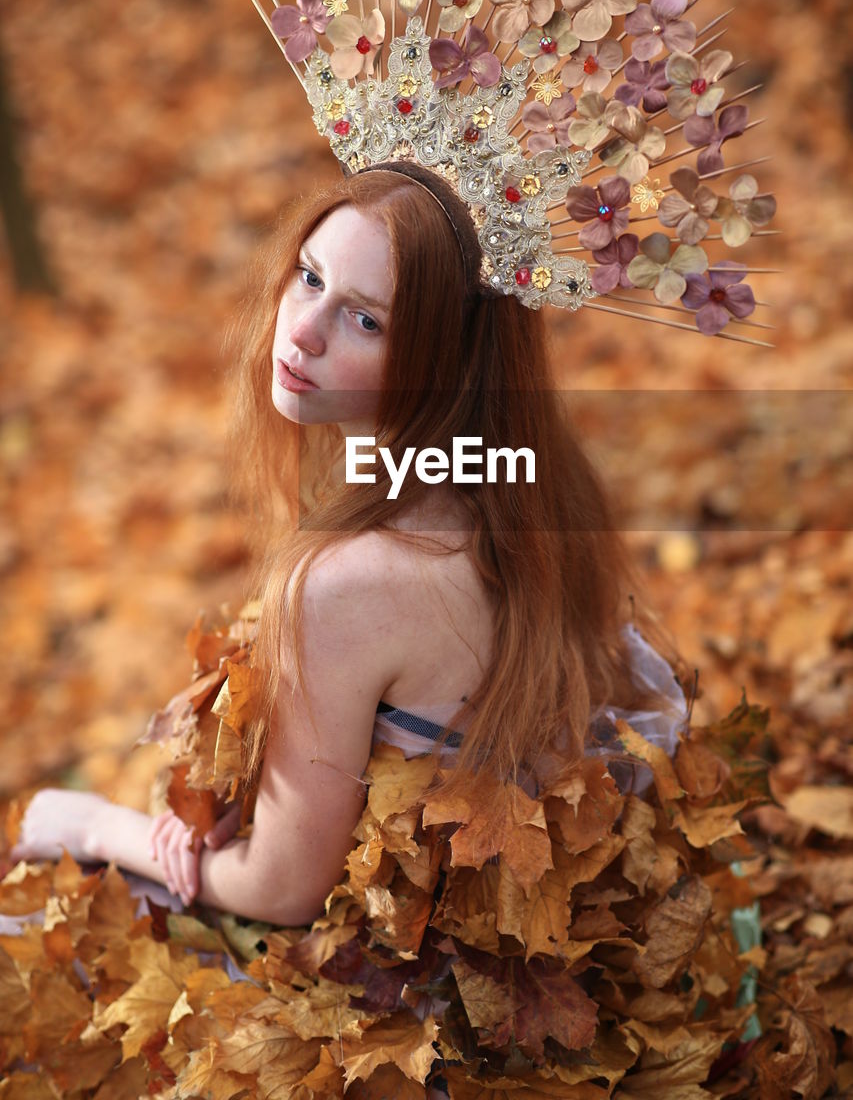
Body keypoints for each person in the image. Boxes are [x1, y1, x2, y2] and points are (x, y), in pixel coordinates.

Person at [9, 163, 687, 922]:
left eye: (365, 320)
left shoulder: (352, 580)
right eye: (308, 277)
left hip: (404, 989)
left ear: (446, 363)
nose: (301, 331)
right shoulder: (530, 483)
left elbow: (284, 891)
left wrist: (96, 826)